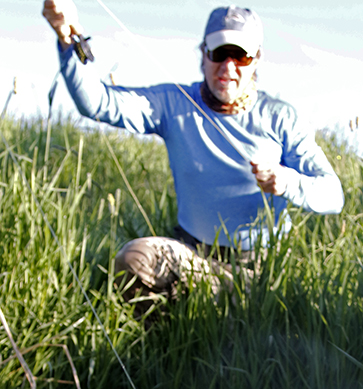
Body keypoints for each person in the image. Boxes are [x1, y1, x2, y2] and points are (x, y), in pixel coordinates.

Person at [42, 2, 344, 305]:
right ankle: (161, 339)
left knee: (259, 333)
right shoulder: (174, 103)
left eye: (241, 56)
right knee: (135, 258)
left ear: (256, 60)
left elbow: (333, 195)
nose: (228, 67)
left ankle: (221, 321)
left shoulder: (280, 117)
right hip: (191, 256)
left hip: (260, 272)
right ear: (203, 55)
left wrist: (287, 181)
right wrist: (69, 40)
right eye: (218, 54)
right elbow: (97, 103)